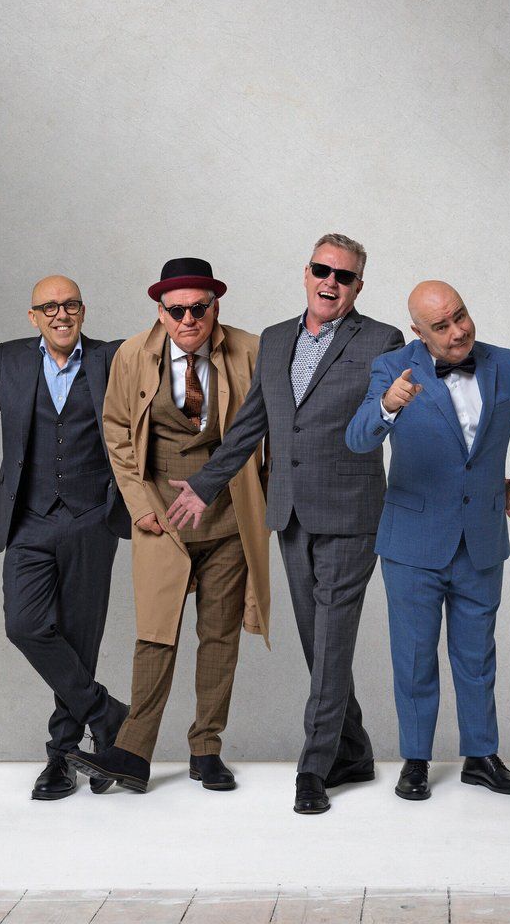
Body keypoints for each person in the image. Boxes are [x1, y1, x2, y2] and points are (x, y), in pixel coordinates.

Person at [166, 234, 404, 814]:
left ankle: (314, 766)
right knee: (317, 640)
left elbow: (388, 418)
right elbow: (253, 423)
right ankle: (354, 749)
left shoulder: (382, 340)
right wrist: (204, 484)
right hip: (291, 513)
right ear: (306, 273)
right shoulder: (275, 340)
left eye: (343, 276)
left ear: (358, 287)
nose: (330, 282)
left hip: (351, 513)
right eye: (322, 270)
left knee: (331, 637)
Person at [0, 276, 130, 800]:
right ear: (33, 317)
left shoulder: (111, 358)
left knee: (79, 639)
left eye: (70, 304)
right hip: (28, 519)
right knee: (25, 625)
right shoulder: (9, 360)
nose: (61, 314)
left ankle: (63, 756)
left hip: (91, 518)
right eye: (49, 307)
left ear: (83, 310)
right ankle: (108, 715)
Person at [346, 281, 510, 801]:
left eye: (460, 316)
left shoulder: (506, 364)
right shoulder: (392, 367)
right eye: (440, 326)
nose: (458, 331)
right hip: (412, 542)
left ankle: (481, 756)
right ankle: (416, 759)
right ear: (418, 332)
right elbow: (357, 438)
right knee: (414, 658)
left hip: (480, 539)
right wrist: (388, 406)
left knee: (477, 657)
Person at [66, 258, 269, 794]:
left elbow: (267, 430)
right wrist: (138, 506)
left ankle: (206, 749)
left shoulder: (249, 350)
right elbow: (116, 432)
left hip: (228, 517)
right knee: (155, 635)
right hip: (159, 518)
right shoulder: (133, 355)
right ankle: (133, 753)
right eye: (176, 311)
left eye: (198, 308)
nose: (188, 320)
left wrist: (263, 504)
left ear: (215, 308)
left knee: (220, 636)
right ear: (160, 312)